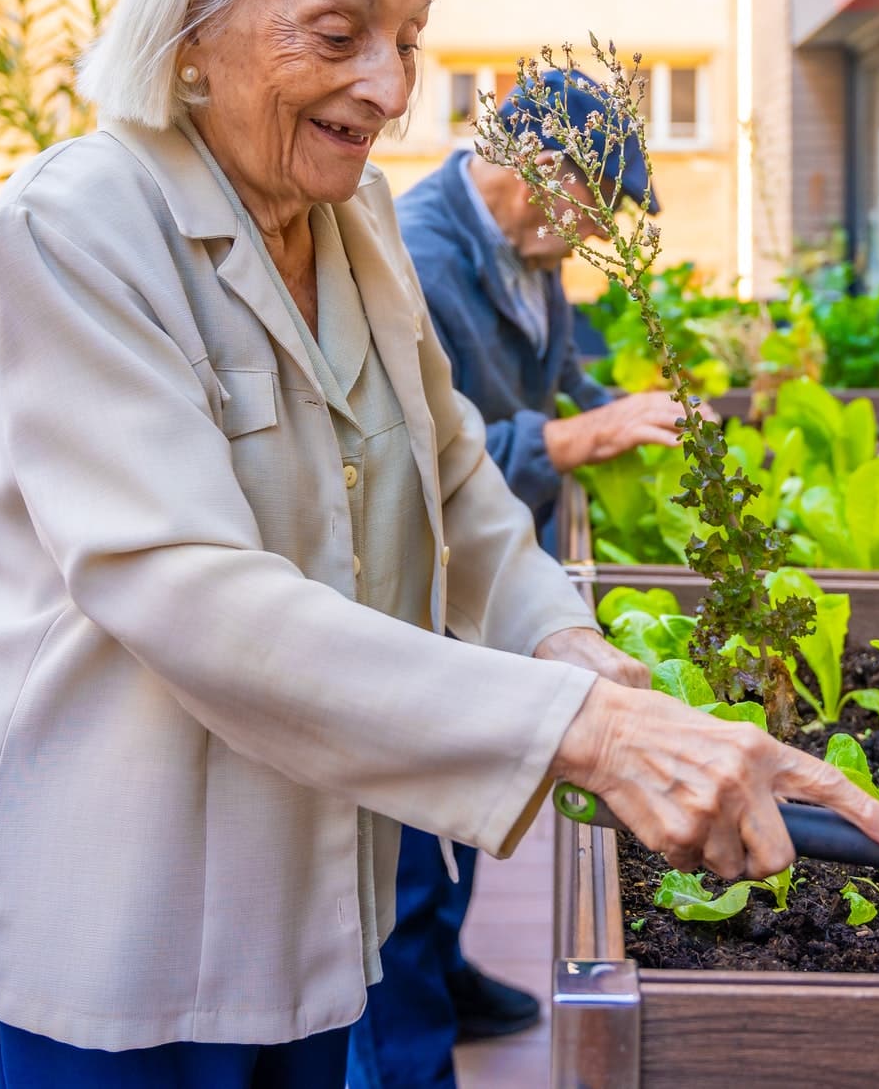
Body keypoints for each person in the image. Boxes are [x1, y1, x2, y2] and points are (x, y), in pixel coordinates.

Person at [0, 0, 879, 1089]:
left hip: (305, 909)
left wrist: (571, 649)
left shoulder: (351, 214)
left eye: (409, 39)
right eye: (337, 32)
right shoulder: (75, 228)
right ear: (190, 28)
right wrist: (586, 733)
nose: (389, 85)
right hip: (98, 927)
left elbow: (456, 483)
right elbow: (186, 589)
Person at [345, 75, 689, 1089]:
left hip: (488, 578)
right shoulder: (415, 253)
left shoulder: (525, 253)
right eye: (600, 201)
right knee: (404, 847)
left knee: (454, 813)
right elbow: (418, 458)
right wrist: (579, 435)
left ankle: (442, 976)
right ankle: (403, 1058)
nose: (603, 229)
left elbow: (553, 380)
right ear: (539, 173)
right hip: (414, 589)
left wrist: (616, 403)